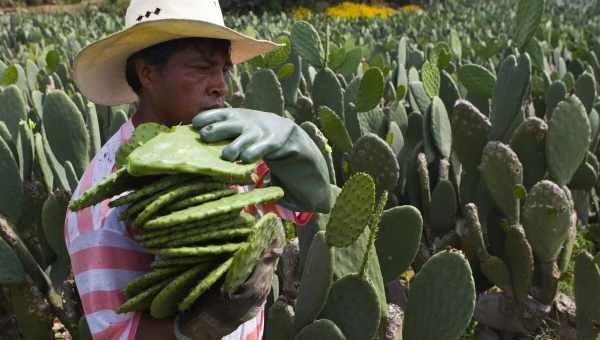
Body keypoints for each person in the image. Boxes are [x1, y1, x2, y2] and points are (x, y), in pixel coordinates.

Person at [65, 0, 332, 339]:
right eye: (202, 68)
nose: (221, 85)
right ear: (147, 73)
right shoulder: (102, 204)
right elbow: (116, 332)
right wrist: (199, 326)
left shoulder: (232, 146)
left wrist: (297, 147)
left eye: (224, 69)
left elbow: (303, 206)